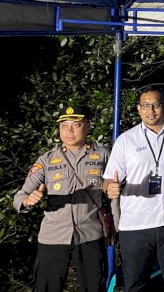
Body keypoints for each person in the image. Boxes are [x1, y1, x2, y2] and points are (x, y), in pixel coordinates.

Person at [102, 85, 164, 292]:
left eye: (156, 105)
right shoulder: (126, 140)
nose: (151, 110)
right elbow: (109, 179)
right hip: (136, 225)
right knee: (135, 286)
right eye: (145, 106)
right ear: (138, 109)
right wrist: (110, 188)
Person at [14, 104, 110, 292]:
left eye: (76, 124)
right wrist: (27, 201)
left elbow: (117, 187)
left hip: (90, 235)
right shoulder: (46, 160)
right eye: (64, 125)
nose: (69, 131)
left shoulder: (103, 155)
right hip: (53, 237)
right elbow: (20, 196)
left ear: (88, 125)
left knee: (94, 287)